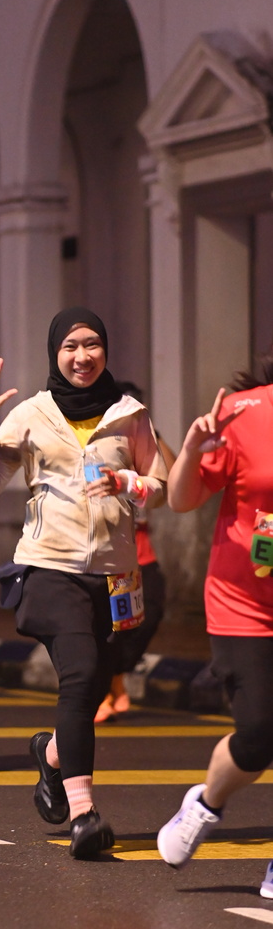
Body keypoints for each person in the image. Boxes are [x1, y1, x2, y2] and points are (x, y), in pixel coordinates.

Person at [0, 307, 167, 858]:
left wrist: (128, 482)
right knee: (79, 677)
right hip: (50, 566)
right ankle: (84, 816)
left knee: (95, 683)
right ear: (55, 353)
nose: (82, 357)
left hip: (114, 575)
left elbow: (161, 486)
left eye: (92, 344)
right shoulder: (30, 414)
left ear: (106, 350)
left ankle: (52, 754)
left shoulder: (129, 414)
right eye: (70, 347)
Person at [156, 351, 273, 896]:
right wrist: (189, 451)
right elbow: (183, 500)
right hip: (243, 602)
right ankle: (205, 803)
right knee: (258, 732)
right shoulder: (244, 413)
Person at [94, 382, 177, 721]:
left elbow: (172, 479)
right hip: (111, 553)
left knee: (150, 614)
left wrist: (153, 433)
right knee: (111, 627)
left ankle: (117, 676)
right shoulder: (104, 444)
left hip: (143, 553)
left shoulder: (146, 444)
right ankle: (106, 690)